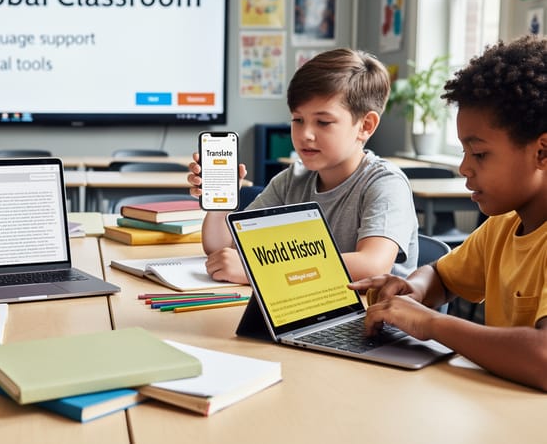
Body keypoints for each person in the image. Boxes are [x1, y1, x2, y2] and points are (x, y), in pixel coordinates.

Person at [349, 36, 547, 391]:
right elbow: (441, 276)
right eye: (463, 152)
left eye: (480, 154)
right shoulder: (503, 226)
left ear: (542, 151)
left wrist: (432, 324)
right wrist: (415, 290)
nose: (464, 168)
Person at [189, 48, 418, 284]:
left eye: (323, 122)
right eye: (298, 119)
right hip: (309, 309)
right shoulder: (292, 180)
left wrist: (258, 271)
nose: (305, 134)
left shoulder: (385, 183)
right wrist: (221, 202)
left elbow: (372, 266)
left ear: (365, 126)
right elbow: (222, 247)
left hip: (373, 316)